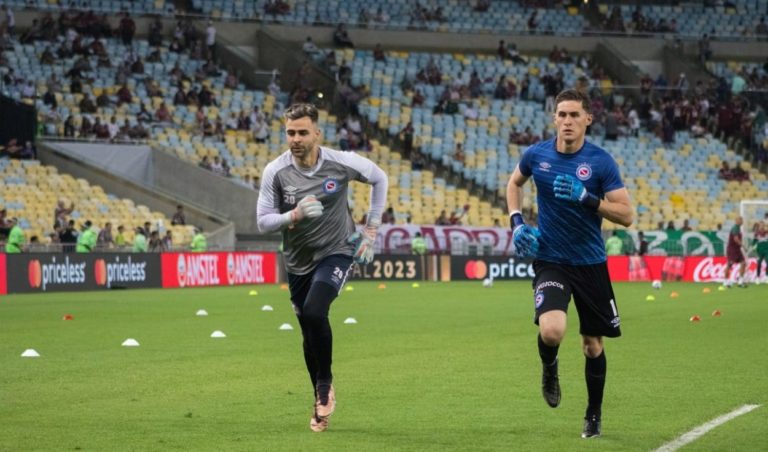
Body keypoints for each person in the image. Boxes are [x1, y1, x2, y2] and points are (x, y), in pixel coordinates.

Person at [505, 89, 634, 438]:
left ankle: (593, 413)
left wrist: (588, 199)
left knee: (592, 344)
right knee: (552, 330)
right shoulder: (537, 155)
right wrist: (517, 223)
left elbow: (627, 215)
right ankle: (550, 367)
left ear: (587, 119)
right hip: (551, 259)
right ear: (554, 119)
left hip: (590, 263)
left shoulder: (601, 162)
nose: (567, 121)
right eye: (561, 114)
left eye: (574, 115)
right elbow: (514, 183)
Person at [256, 103, 387, 433]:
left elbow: (379, 178)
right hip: (297, 262)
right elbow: (263, 221)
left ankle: (325, 383)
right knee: (307, 330)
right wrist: (294, 215)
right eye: (290, 132)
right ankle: (319, 399)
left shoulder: (340, 163)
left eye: (302, 132)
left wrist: (371, 230)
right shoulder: (276, 171)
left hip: (337, 251)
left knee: (316, 311)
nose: (295, 138)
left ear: (317, 133)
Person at [723, 216, 747, 288]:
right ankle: (726, 281)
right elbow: (736, 239)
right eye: (740, 219)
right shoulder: (735, 228)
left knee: (743, 263)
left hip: (737, 249)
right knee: (730, 264)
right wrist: (743, 245)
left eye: (742, 219)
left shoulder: (738, 228)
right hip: (732, 249)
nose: (742, 221)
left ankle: (740, 281)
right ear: (736, 220)